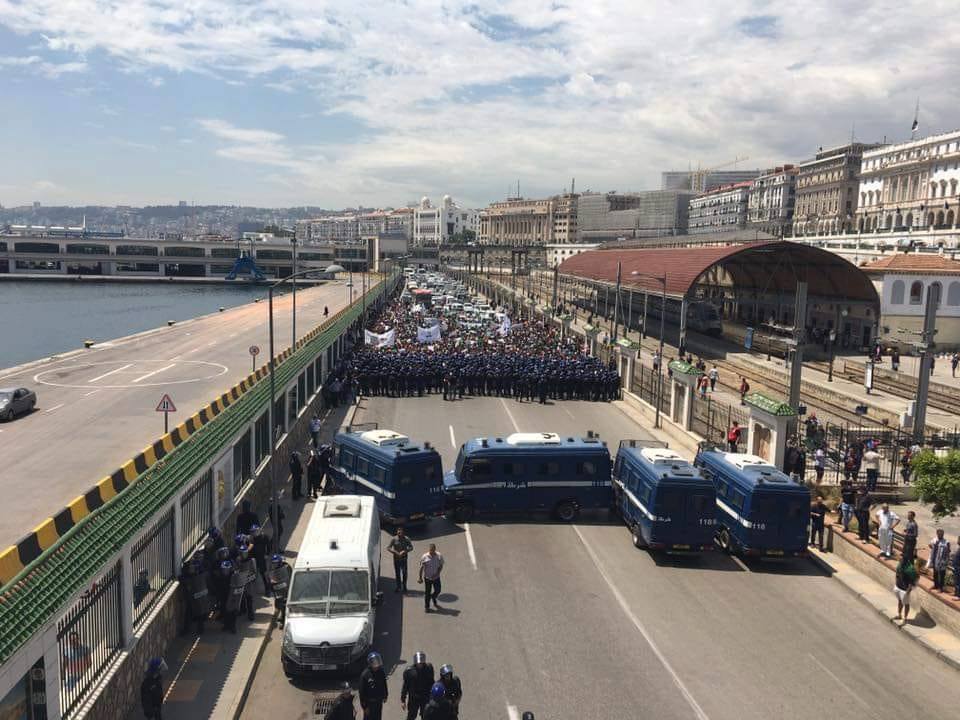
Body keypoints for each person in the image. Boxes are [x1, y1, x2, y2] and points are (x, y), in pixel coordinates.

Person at [401, 651, 435, 720]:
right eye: (419, 663)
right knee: (411, 716)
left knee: (426, 716)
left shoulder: (428, 669)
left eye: (421, 663)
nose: (420, 665)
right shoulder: (409, 672)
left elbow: (432, 683)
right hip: (414, 698)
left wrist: (434, 697)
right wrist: (403, 700)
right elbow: (405, 686)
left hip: (425, 697)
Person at [359, 652, 388, 720]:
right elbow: (362, 692)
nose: (376, 666)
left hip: (378, 702)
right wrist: (365, 707)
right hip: (369, 704)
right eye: (374, 663)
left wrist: (385, 695)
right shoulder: (365, 675)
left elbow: (384, 684)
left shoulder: (381, 672)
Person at [419, 543, 445, 612]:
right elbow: (421, 568)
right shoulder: (425, 557)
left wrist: (437, 574)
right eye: (431, 550)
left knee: (438, 590)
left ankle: (433, 597)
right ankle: (427, 607)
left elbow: (441, 566)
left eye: (433, 550)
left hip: (436, 578)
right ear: (429, 550)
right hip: (428, 578)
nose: (432, 552)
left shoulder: (439, 556)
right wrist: (420, 577)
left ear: (435, 550)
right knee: (427, 593)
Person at [268, 554, 292, 624]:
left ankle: (283, 619)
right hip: (278, 590)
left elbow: (289, 577)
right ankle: (282, 616)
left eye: (276, 563)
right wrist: (271, 583)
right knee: (278, 605)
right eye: (274, 563)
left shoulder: (286, 567)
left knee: (285, 604)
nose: (275, 565)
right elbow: (271, 578)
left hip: (286, 588)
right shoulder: (273, 569)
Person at [388, 527, 414, 593]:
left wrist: (405, 551)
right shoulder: (394, 539)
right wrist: (394, 552)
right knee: (397, 573)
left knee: (404, 573)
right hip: (396, 559)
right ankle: (398, 587)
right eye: (398, 533)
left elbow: (411, 547)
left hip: (404, 559)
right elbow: (388, 547)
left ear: (403, 533)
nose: (399, 534)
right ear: (397, 532)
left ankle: (404, 586)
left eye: (401, 533)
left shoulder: (406, 539)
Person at [894, 552, 919, 621]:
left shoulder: (910, 569)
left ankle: (905, 618)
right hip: (898, 587)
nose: (899, 559)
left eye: (901, 558)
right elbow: (897, 574)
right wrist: (896, 583)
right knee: (900, 601)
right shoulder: (900, 565)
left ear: (904, 559)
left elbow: (912, 582)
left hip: (905, 590)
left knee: (906, 604)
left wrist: (908, 591)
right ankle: (899, 615)